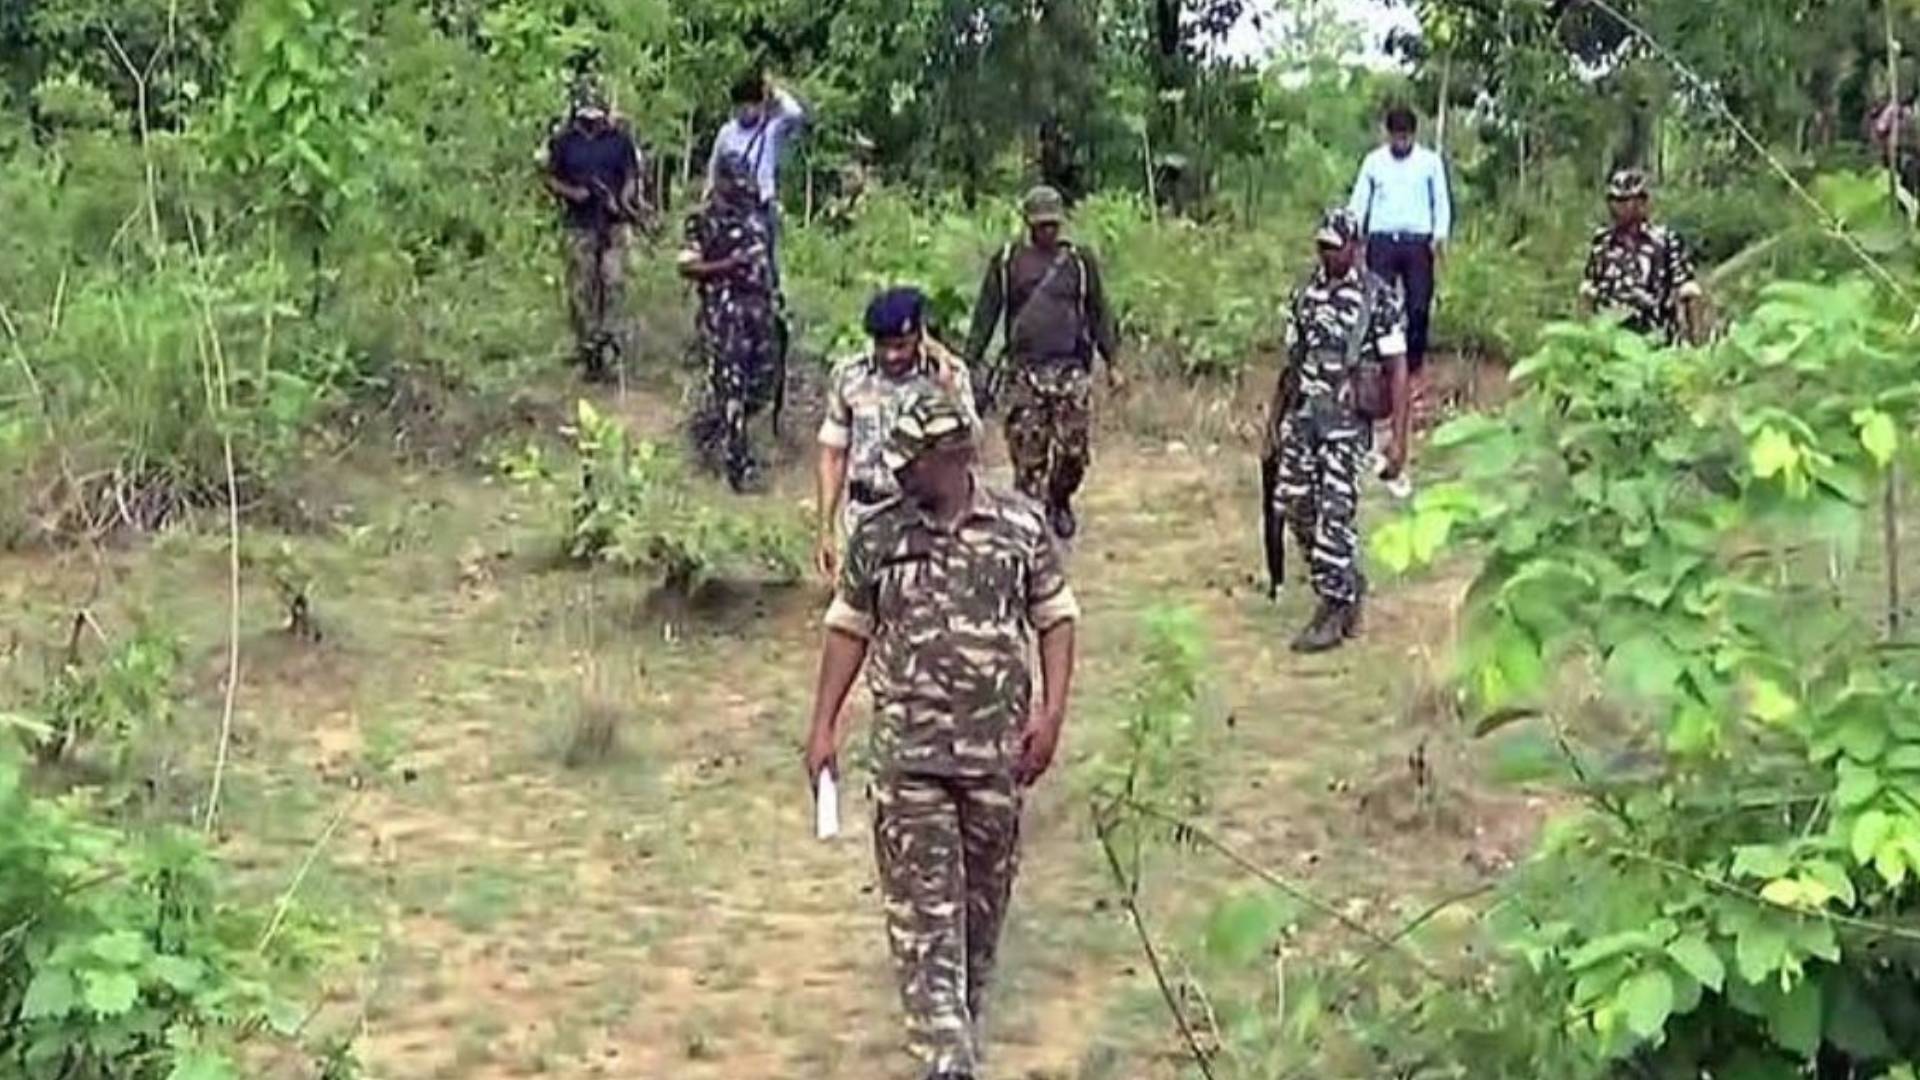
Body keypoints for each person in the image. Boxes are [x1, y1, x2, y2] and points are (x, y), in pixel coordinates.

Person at [803, 390, 1080, 1080]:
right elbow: (848, 629)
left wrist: (1051, 716)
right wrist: (823, 724)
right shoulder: (880, 537)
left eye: (913, 463)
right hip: (909, 762)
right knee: (924, 920)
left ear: (955, 456)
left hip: (996, 759)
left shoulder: (1019, 527)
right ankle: (946, 1060)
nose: (899, 474)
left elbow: (1055, 617)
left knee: (980, 921)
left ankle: (957, 1036)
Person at [1270, 209, 1411, 654]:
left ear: (1356, 247)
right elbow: (1292, 363)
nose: (1327, 254)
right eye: (1322, 246)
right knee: (1294, 504)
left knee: (1336, 512)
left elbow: (1398, 370)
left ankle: (1334, 607)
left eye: (1336, 246)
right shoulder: (1305, 294)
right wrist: (1273, 423)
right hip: (1305, 416)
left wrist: (1399, 439)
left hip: (1347, 425)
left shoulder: (1377, 298)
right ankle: (1344, 581)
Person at [963, 185, 1123, 541]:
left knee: (1073, 451)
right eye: (1041, 225)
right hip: (1025, 372)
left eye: (1053, 224)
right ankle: (1032, 524)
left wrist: (1112, 361)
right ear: (1028, 223)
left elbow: (1099, 312)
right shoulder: (1008, 262)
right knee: (1027, 455)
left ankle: (1059, 499)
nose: (1048, 231)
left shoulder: (1079, 262)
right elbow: (986, 314)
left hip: (1070, 369)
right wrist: (969, 362)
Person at [816, 288, 978, 580]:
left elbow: (970, 446)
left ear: (920, 335)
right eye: (883, 345)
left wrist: (948, 392)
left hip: (927, 522)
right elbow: (833, 454)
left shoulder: (948, 374)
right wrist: (826, 529)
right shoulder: (850, 376)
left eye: (901, 346)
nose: (891, 356)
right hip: (866, 516)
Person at [679, 153, 778, 492]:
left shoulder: (757, 216)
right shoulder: (702, 221)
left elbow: (767, 262)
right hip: (725, 310)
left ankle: (711, 426)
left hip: (760, 307)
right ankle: (739, 466)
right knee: (731, 384)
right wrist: (727, 266)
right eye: (734, 182)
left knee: (763, 384)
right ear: (720, 182)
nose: (740, 189)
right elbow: (687, 266)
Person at [541, 75, 649, 383]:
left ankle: (609, 344)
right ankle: (588, 349)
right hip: (579, 225)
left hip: (614, 225)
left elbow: (631, 174)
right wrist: (573, 193)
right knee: (581, 288)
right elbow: (549, 177)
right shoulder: (564, 141)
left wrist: (624, 199)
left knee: (613, 282)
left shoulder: (619, 140)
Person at [1348, 105, 1450, 384]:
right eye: (1396, 136)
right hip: (1382, 241)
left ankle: (1414, 366)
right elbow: (1359, 201)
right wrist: (1352, 234)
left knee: (1418, 305)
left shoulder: (1430, 163)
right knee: (1377, 304)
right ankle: (1379, 363)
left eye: (1405, 137)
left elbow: (1441, 201)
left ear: (1413, 135)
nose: (1400, 142)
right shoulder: (1374, 162)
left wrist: (1439, 235)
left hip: (1417, 242)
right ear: (1388, 135)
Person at [1578, 169, 1707, 346]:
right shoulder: (1603, 241)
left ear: (1642, 202)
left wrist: (1696, 345)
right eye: (1615, 200)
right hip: (1612, 338)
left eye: (1626, 201)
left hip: (1656, 336)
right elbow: (1588, 290)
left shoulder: (1665, 240)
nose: (1619, 207)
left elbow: (1689, 291)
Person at [705, 72, 807, 281]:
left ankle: (771, 294)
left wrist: (773, 91)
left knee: (766, 261)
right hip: (730, 207)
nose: (745, 111)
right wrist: (709, 195)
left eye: (750, 105)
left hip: (761, 205)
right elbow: (714, 165)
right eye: (740, 106)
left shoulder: (771, 130)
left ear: (760, 105)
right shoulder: (727, 133)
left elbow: (796, 114)